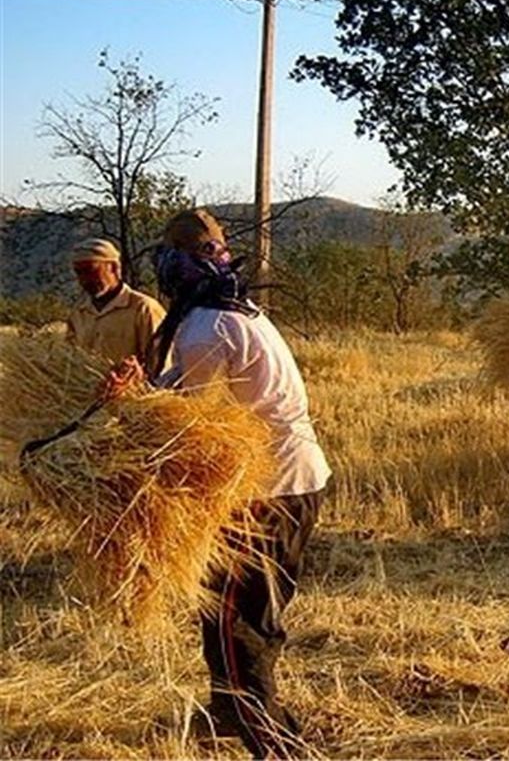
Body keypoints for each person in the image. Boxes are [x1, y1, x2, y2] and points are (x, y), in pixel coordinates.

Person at [103, 208, 331, 758]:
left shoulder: (208, 326)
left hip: (265, 491)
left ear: (179, 268)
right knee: (233, 615)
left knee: (238, 630)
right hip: (291, 481)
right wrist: (146, 387)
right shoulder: (241, 312)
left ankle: (275, 746)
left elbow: (192, 425)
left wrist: (127, 411)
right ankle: (231, 718)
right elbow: (191, 394)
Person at [65, 237, 165, 367]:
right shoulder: (79, 313)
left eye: (91, 271)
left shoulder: (143, 308)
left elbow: (161, 364)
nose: (84, 280)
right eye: (79, 273)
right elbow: (69, 362)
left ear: (113, 268)